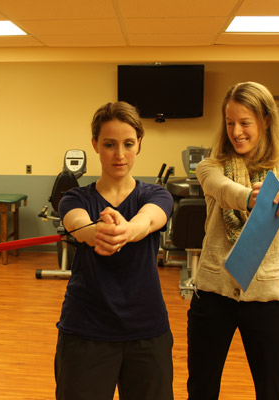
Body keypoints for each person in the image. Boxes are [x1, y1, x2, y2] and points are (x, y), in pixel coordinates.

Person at [187, 81, 279, 400]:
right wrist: (251, 198)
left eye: (245, 123)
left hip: (267, 299)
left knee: (273, 390)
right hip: (213, 295)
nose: (236, 131)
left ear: (265, 121)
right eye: (229, 123)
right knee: (202, 388)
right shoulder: (210, 167)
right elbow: (223, 190)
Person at [54, 101, 175, 400]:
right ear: (95, 145)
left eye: (128, 144)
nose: (119, 155)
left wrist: (127, 230)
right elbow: (78, 225)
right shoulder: (74, 198)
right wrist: (97, 232)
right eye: (110, 144)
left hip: (147, 332)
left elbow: (149, 219)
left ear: (139, 146)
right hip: (85, 331)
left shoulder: (156, 195)